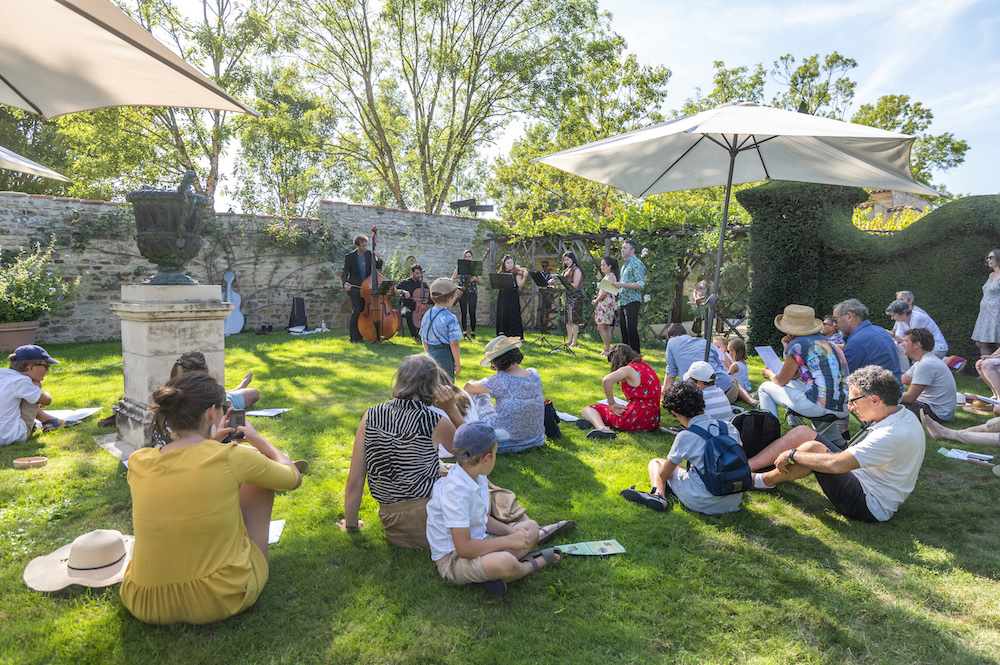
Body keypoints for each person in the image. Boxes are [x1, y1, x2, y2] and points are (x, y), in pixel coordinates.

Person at [119, 372, 302, 624]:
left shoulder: (139, 461)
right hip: (218, 598)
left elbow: (187, 470)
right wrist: (257, 439)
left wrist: (212, 442)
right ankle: (251, 560)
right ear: (210, 413)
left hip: (145, 601)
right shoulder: (231, 457)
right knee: (260, 483)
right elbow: (293, 478)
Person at [749, 365, 925, 523]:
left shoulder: (891, 434)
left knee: (813, 449)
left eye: (853, 400)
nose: (850, 407)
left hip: (868, 504)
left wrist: (792, 454)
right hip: (862, 478)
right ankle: (747, 466)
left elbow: (836, 464)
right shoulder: (903, 415)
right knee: (804, 434)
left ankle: (760, 480)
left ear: (875, 400)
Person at [425, 422, 561, 597]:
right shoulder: (455, 492)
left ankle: (488, 574)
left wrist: (511, 532)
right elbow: (463, 549)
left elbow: (482, 519)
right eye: (496, 454)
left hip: (479, 540)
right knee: (505, 562)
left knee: (531, 527)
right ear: (486, 458)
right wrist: (509, 541)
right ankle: (533, 564)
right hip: (453, 559)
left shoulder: (478, 476)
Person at [621, 381, 744, 515]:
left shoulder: (686, 436)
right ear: (702, 401)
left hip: (703, 501)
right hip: (733, 497)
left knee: (656, 462)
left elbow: (664, 474)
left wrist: (676, 465)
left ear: (675, 413)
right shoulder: (729, 427)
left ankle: (658, 495)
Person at [757, 305, 849, 426]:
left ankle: (770, 434)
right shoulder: (827, 341)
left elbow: (781, 381)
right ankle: (835, 441)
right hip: (843, 406)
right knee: (800, 387)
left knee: (764, 388)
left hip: (819, 406)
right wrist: (787, 348)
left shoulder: (797, 344)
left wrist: (770, 374)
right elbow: (794, 376)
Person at [464, 335, 545, 453]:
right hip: (536, 440)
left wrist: (472, 381)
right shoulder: (535, 375)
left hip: (503, 443)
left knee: (478, 394)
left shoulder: (500, 380)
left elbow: (468, 387)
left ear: (497, 362)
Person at [578, 343, 661, 440]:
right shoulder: (643, 365)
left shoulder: (628, 369)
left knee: (588, 409)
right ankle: (594, 421)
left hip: (636, 418)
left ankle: (602, 428)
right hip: (652, 419)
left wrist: (612, 403)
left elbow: (606, 380)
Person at [0, 345, 75, 444]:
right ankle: (48, 421)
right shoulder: (21, 381)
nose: (48, 371)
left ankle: (45, 421)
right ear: (30, 367)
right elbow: (47, 400)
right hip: (10, 436)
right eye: (46, 366)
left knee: (30, 394)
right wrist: (37, 386)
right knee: (35, 391)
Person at [663, 323, 738, 404]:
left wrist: (663, 396)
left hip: (700, 399)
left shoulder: (672, 342)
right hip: (728, 392)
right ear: (686, 334)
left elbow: (670, 374)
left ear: (671, 337)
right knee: (731, 379)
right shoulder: (706, 342)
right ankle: (750, 399)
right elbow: (722, 368)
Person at [833, 298, 902, 385]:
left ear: (849, 316)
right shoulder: (881, 331)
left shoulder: (857, 341)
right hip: (894, 391)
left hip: (877, 395)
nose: (835, 324)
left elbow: (844, 378)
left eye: (835, 319)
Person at [900, 327, 956, 422]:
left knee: (887, 404)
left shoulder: (925, 364)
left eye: (905, 341)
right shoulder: (923, 361)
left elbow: (910, 398)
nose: (902, 344)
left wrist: (883, 395)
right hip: (933, 409)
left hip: (936, 414)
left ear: (917, 344)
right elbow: (899, 380)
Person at [171, 352, 259, 411]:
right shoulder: (211, 400)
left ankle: (237, 389)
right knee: (253, 393)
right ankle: (238, 389)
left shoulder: (171, 396)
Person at [341, 233, 384, 343]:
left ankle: (361, 334)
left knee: (365, 312)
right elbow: (345, 272)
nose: (365, 247)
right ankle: (353, 337)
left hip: (367, 289)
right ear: (357, 246)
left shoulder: (369, 254)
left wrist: (378, 258)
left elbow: (378, 268)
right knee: (357, 312)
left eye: (366, 245)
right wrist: (345, 283)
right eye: (363, 246)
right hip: (355, 288)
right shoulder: (350, 257)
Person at [420, 278, 464, 380]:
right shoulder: (450, 317)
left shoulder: (427, 314)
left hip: (430, 354)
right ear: (450, 299)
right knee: (446, 385)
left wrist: (429, 354)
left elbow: (424, 340)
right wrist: (457, 364)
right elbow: (454, 343)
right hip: (445, 355)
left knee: (432, 384)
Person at [610, 238, 645, 353]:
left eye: (625, 248)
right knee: (624, 329)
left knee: (631, 329)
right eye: (622, 248)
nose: (622, 250)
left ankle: (636, 355)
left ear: (632, 250)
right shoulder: (625, 264)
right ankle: (626, 356)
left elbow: (640, 284)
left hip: (632, 301)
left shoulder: (637, 263)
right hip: (623, 301)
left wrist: (622, 284)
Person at [549, 251, 584, 348]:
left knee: (574, 319)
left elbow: (575, 285)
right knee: (568, 319)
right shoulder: (567, 270)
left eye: (568, 259)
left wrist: (563, 282)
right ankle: (569, 340)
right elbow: (560, 280)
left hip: (576, 295)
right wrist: (554, 281)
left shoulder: (576, 270)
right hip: (568, 295)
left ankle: (575, 341)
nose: (566, 262)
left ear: (573, 259)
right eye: (565, 260)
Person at [973, 249, 1000, 357]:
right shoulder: (991, 275)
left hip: (997, 313)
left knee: (999, 342)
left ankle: (995, 371)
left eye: (991, 257)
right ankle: (985, 370)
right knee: (980, 342)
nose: (988, 260)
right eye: (987, 257)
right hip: (985, 313)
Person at [592, 255, 620, 357]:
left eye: (604, 265)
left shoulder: (611, 276)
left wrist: (596, 300)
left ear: (610, 266)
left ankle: (607, 349)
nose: (602, 267)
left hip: (606, 303)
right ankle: (606, 349)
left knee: (600, 327)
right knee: (606, 326)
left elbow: (605, 292)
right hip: (604, 302)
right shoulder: (607, 276)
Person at [451, 249, 481, 340]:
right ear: (463, 257)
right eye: (466, 257)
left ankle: (473, 332)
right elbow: (452, 280)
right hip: (462, 292)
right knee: (463, 312)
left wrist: (475, 279)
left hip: (472, 292)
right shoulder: (459, 267)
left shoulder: (476, 267)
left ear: (472, 257)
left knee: (472, 312)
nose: (468, 258)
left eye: (469, 257)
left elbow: (480, 282)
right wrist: (456, 289)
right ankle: (464, 332)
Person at [494, 255, 527, 338]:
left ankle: (516, 335)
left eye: (511, 262)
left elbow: (520, 284)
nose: (510, 264)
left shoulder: (517, 272)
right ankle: (503, 334)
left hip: (513, 296)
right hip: (503, 295)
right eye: (508, 263)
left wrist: (525, 277)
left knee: (514, 314)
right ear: (504, 264)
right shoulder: (501, 273)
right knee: (503, 314)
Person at [396, 264, 432, 339]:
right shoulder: (405, 282)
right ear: (411, 273)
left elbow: (432, 294)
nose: (419, 275)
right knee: (407, 313)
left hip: (421, 306)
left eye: (420, 273)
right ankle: (415, 335)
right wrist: (403, 291)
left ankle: (429, 333)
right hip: (407, 305)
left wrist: (427, 284)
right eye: (417, 273)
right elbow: (394, 290)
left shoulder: (422, 283)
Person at [726, 338, 757, 405]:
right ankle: (750, 395)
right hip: (745, 386)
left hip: (738, 388)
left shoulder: (734, 365)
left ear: (733, 352)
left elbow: (728, 377)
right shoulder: (743, 363)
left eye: (728, 351)